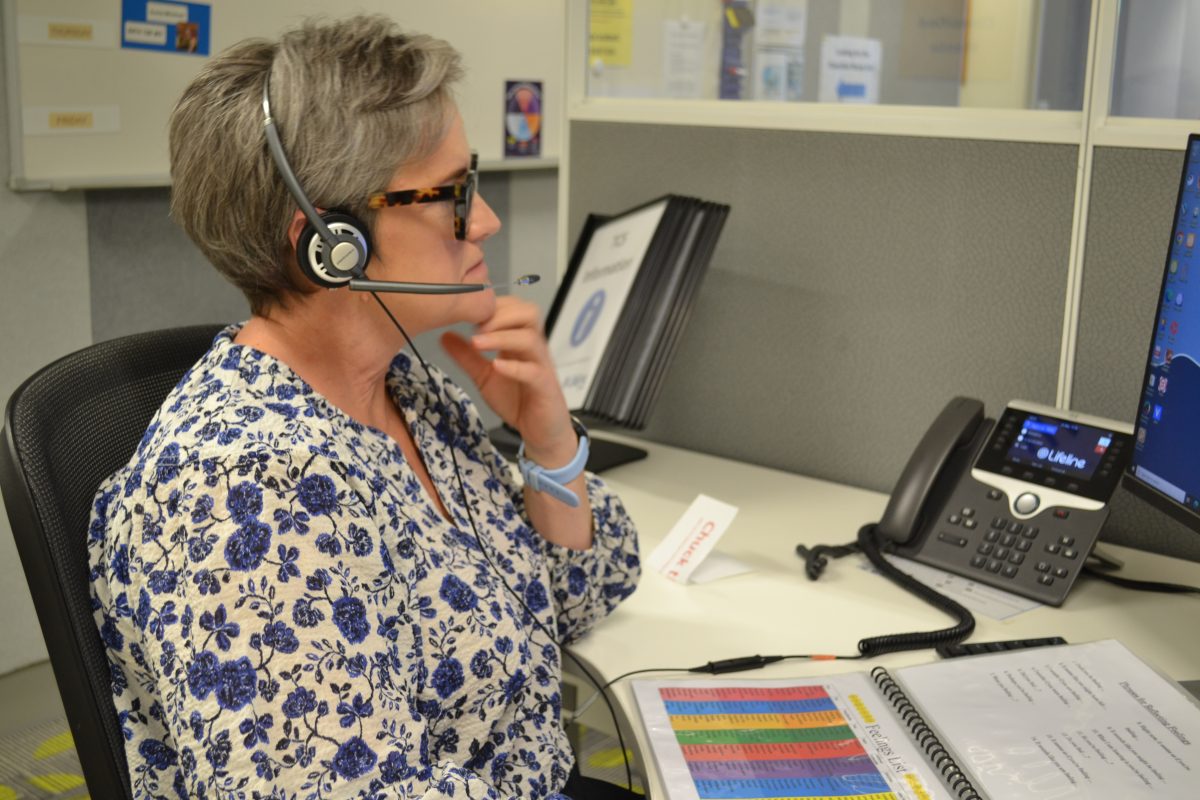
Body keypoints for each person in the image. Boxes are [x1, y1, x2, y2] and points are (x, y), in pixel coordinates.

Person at [87, 15, 641, 800]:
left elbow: (582, 591)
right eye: (453, 193)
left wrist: (550, 440)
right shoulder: (245, 495)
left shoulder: (410, 396)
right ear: (330, 243)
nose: (485, 220)